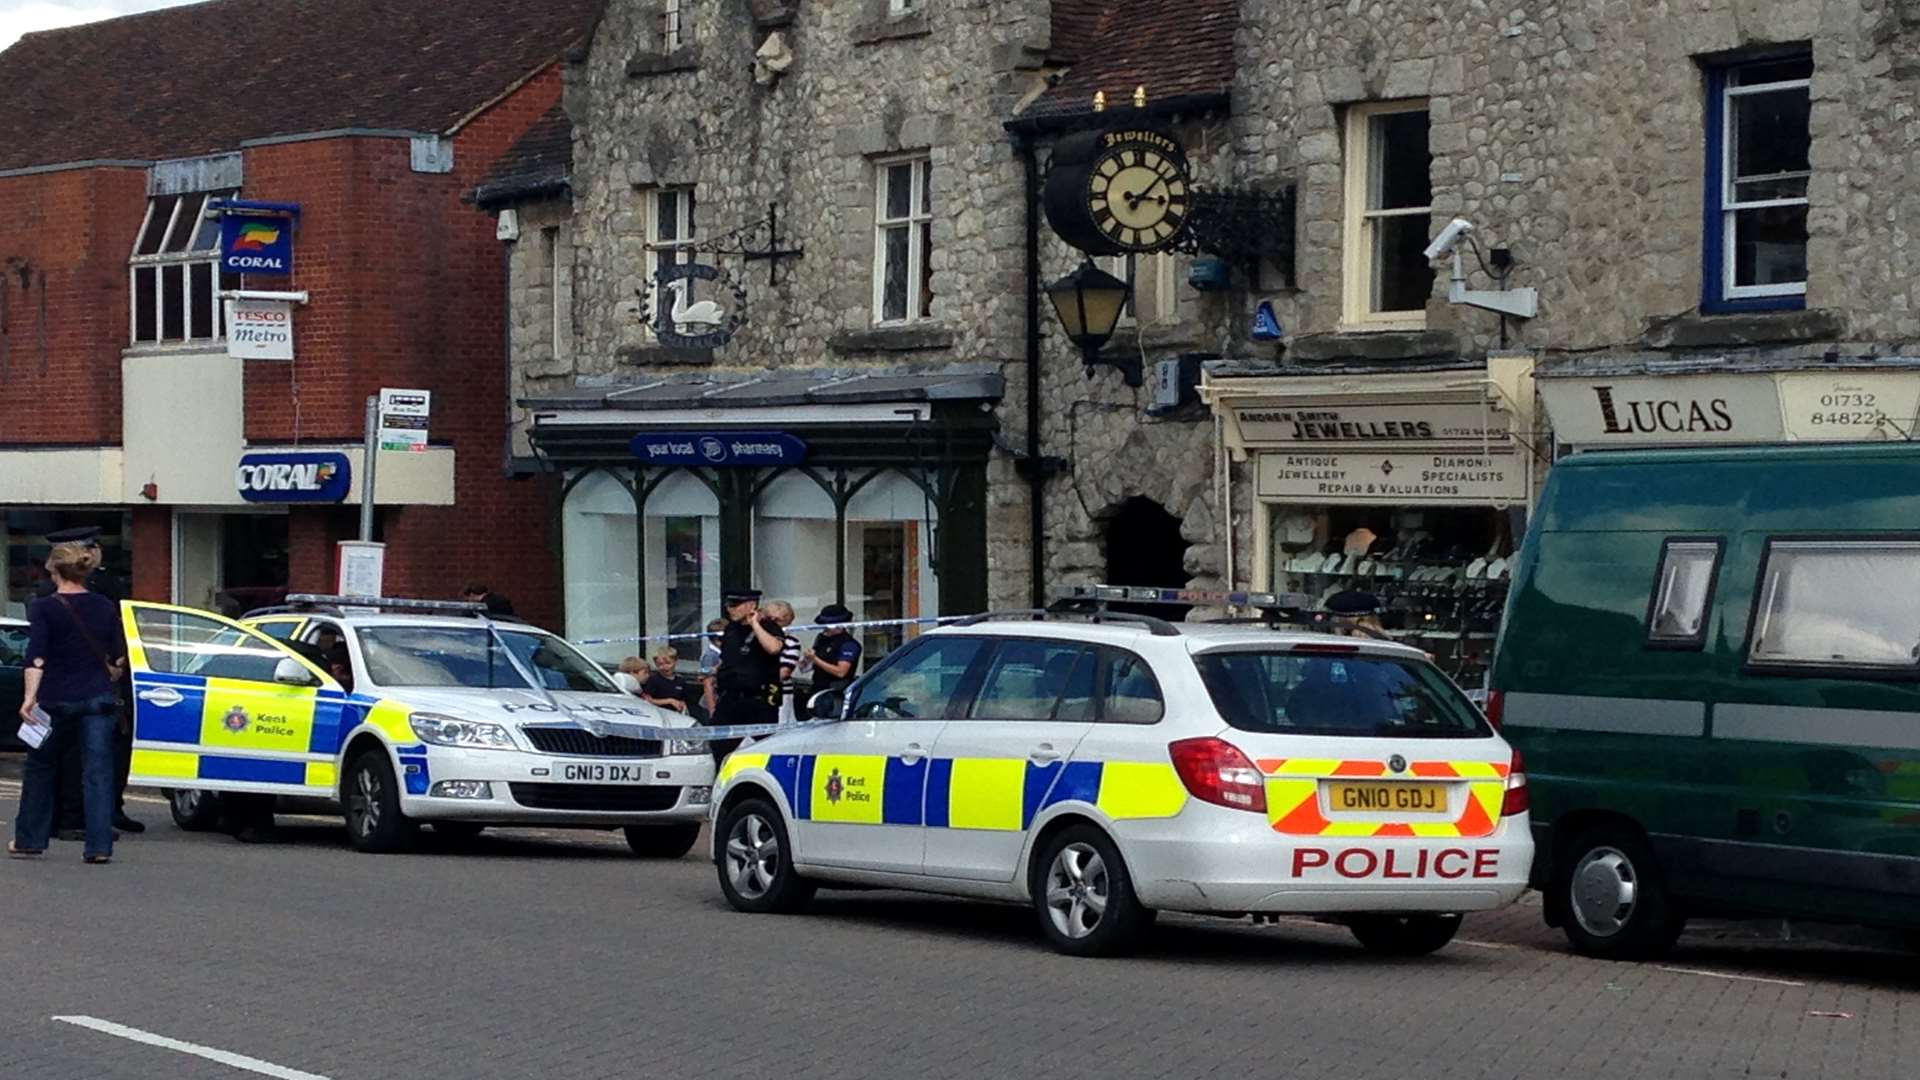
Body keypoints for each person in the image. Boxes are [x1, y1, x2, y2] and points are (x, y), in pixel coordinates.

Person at [10, 542, 125, 864]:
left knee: (41, 768)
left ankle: (29, 839)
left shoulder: (44, 607)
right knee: (98, 773)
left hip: (54, 699)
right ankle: (99, 846)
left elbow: (37, 658)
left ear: (53, 569)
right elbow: (117, 657)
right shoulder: (104, 605)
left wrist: (29, 699)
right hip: (98, 698)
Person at [34, 526, 141, 839]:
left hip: (78, 683)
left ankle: (103, 811)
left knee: (96, 753)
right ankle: (72, 819)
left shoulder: (92, 586)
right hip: (84, 684)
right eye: (92, 547)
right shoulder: (76, 593)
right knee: (76, 757)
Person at [707, 588, 783, 764]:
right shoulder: (731, 629)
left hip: (759, 700)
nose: (730, 609)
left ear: (751, 605)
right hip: (730, 699)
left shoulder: (768, 626)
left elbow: (774, 648)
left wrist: (755, 625)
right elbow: (729, 659)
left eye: (735, 605)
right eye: (728, 605)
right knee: (718, 749)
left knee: (765, 749)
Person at [802, 603, 862, 720]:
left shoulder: (848, 644)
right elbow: (806, 668)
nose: (825, 629)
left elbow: (841, 672)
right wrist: (807, 660)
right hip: (817, 690)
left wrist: (816, 659)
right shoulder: (821, 639)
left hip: (834, 694)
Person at [761, 601, 804, 725]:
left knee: (779, 726)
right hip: (755, 692)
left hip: (778, 691)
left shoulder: (791, 642)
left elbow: (785, 672)